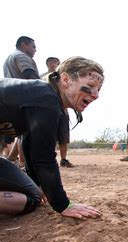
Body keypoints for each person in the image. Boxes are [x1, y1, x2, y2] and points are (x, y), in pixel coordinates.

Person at [0, 56, 104, 219]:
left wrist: (39, 184)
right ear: (65, 79)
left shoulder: (41, 93)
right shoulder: (46, 98)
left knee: (34, 191)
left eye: (99, 89)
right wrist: (62, 204)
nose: (96, 94)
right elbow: (43, 157)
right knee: (32, 199)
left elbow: (30, 143)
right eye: (90, 86)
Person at [3, 36, 40, 168]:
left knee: (22, 132)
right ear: (24, 45)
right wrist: (44, 88)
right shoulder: (22, 56)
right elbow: (29, 74)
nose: (35, 49)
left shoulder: (9, 57)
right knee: (27, 132)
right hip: (24, 97)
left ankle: (11, 158)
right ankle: (24, 163)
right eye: (33, 46)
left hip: (10, 98)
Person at [41, 57, 74, 167]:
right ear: (48, 63)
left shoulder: (63, 78)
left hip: (63, 110)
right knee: (48, 135)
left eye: (57, 63)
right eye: (54, 63)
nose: (56, 65)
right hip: (48, 110)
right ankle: (47, 159)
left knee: (63, 136)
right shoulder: (42, 78)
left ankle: (63, 159)